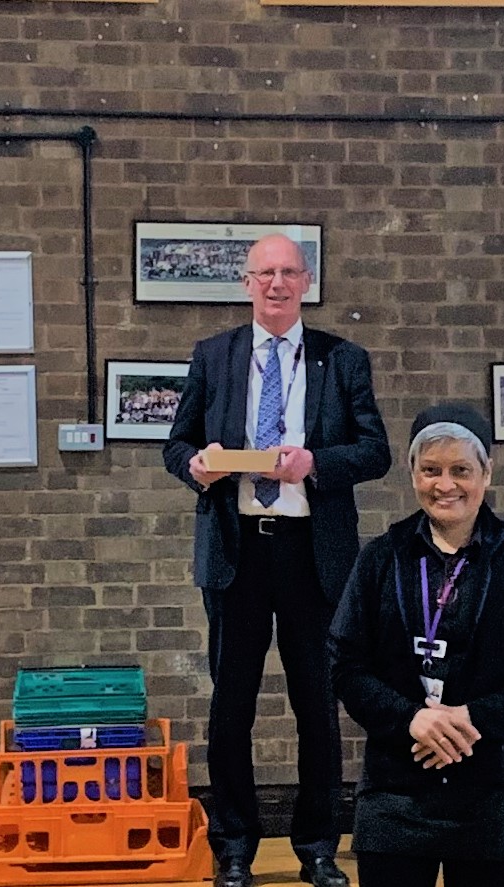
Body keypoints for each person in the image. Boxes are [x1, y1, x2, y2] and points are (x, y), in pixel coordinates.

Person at [160, 234, 389, 887]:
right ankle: (233, 845)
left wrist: (315, 461)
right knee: (230, 705)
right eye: (265, 272)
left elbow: (374, 451)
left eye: (288, 272)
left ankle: (317, 844)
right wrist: (196, 466)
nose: (276, 283)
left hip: (311, 553)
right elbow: (174, 445)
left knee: (316, 702)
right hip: (236, 553)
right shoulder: (214, 355)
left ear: (306, 281)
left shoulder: (342, 360)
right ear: (246, 282)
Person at [329, 404, 504, 887]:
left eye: (461, 470)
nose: (446, 484)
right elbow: (346, 663)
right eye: (431, 470)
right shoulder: (381, 557)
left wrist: (473, 718)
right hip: (399, 782)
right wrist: (412, 719)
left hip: (494, 780)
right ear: (412, 474)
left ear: (486, 473)